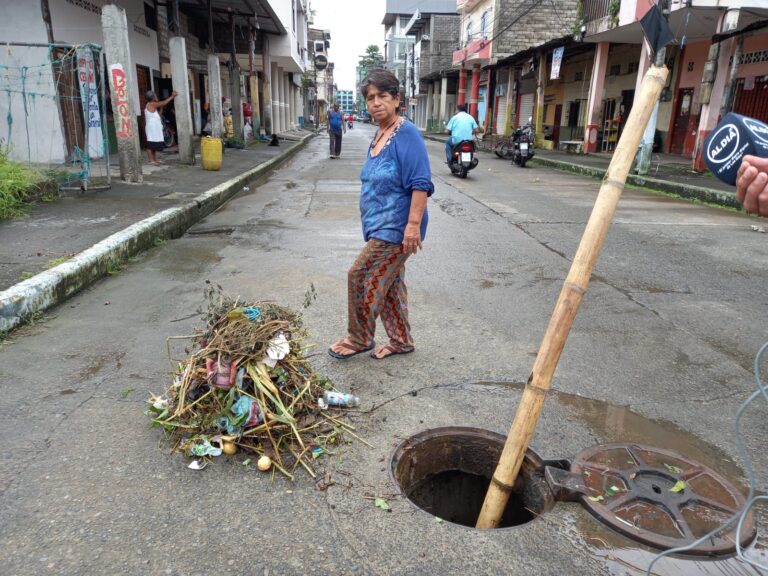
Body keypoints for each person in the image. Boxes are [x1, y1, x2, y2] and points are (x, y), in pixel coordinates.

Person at [328, 68, 434, 361]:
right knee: (389, 284)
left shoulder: (406, 132)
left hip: (397, 228)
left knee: (360, 276)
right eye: (370, 97)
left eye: (382, 96)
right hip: (379, 226)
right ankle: (401, 341)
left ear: (397, 99)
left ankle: (359, 338)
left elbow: (421, 182)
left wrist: (412, 226)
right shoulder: (379, 134)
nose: (375, 103)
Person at [144, 89, 177, 165]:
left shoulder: (153, 106)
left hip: (154, 128)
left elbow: (159, 115)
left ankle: (155, 159)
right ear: (152, 98)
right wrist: (172, 96)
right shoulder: (151, 104)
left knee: (154, 143)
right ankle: (151, 160)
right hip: (151, 128)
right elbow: (164, 103)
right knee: (150, 144)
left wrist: (161, 107)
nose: (156, 96)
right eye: (155, 95)